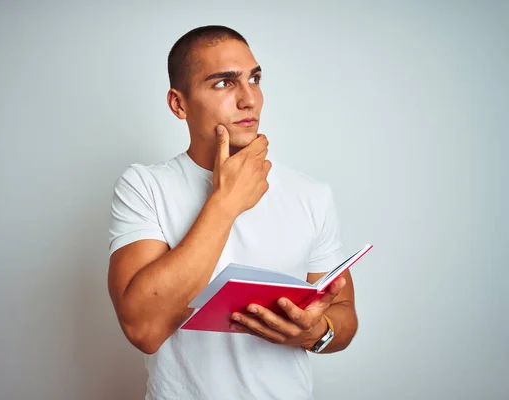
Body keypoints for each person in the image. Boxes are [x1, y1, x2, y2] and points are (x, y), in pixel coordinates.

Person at [107, 25, 358, 400]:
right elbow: (144, 329)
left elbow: (344, 314)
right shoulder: (144, 186)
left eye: (254, 79)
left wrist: (315, 331)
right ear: (179, 104)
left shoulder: (311, 194)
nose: (249, 100)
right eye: (224, 83)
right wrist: (225, 204)